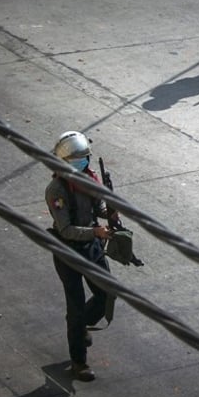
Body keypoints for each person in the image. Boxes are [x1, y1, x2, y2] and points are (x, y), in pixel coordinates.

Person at [45, 130, 117, 382]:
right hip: (68, 251)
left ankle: (81, 325)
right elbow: (66, 229)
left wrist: (111, 211)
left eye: (84, 158)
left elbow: (99, 207)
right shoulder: (56, 189)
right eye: (77, 160)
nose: (82, 163)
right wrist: (96, 231)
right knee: (75, 308)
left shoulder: (89, 179)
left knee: (107, 292)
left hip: (92, 247)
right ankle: (78, 362)